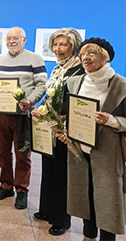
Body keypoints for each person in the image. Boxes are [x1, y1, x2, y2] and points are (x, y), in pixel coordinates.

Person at [57, 38, 126, 241]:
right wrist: (65, 132)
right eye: (83, 54)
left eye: (92, 53)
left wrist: (111, 120)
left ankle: (107, 237)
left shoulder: (121, 86)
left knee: (107, 199)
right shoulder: (74, 82)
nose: (85, 58)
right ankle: (88, 235)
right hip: (79, 150)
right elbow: (70, 114)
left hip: (107, 152)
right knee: (84, 196)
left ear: (105, 57)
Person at [0, 26, 47, 209]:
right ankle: (6, 185)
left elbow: (42, 85)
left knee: (22, 154)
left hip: (22, 114)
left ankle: (21, 190)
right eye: (9, 39)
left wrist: (30, 101)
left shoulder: (34, 58)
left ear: (24, 39)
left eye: (15, 38)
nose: (11, 41)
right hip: (1, 113)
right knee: (1, 152)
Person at [31, 28, 84, 236]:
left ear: (73, 46)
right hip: (48, 127)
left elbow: (78, 101)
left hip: (64, 129)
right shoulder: (56, 69)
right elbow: (50, 95)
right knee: (48, 169)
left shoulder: (79, 70)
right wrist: (41, 109)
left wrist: (65, 119)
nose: (58, 49)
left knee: (62, 174)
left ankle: (61, 219)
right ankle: (47, 210)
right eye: (55, 44)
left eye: (63, 45)